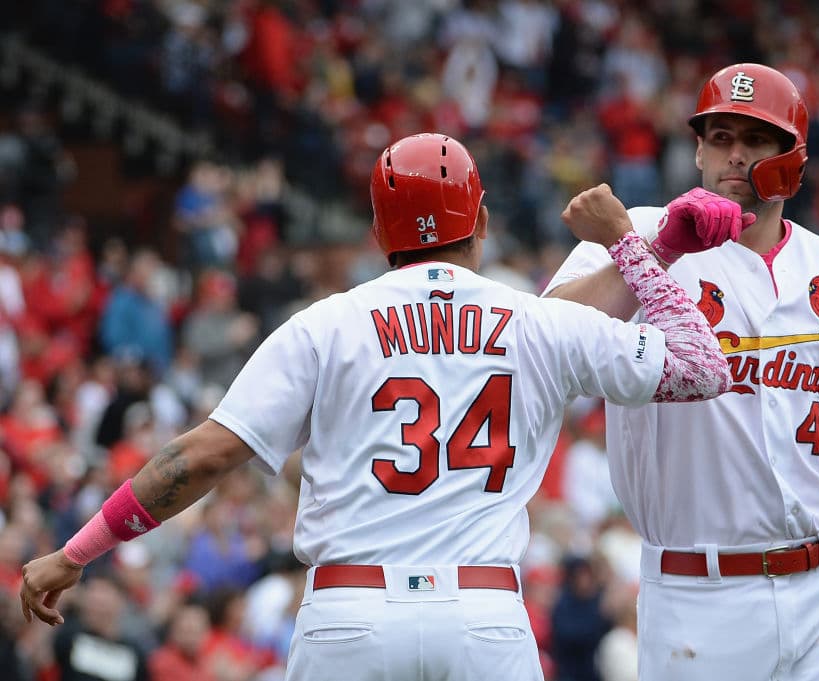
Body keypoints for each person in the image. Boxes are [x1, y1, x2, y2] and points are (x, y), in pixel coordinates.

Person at [20, 132, 736, 681]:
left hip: (350, 615)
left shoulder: (325, 324)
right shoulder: (538, 321)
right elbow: (704, 367)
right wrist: (636, 246)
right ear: (482, 221)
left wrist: (77, 551)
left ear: (377, 233)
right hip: (483, 618)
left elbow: (201, 456)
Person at [544, 63, 819, 681]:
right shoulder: (638, 232)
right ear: (698, 152)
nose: (735, 155)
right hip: (697, 596)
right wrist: (659, 250)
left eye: (757, 139)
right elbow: (550, 338)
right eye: (720, 138)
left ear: (795, 161)